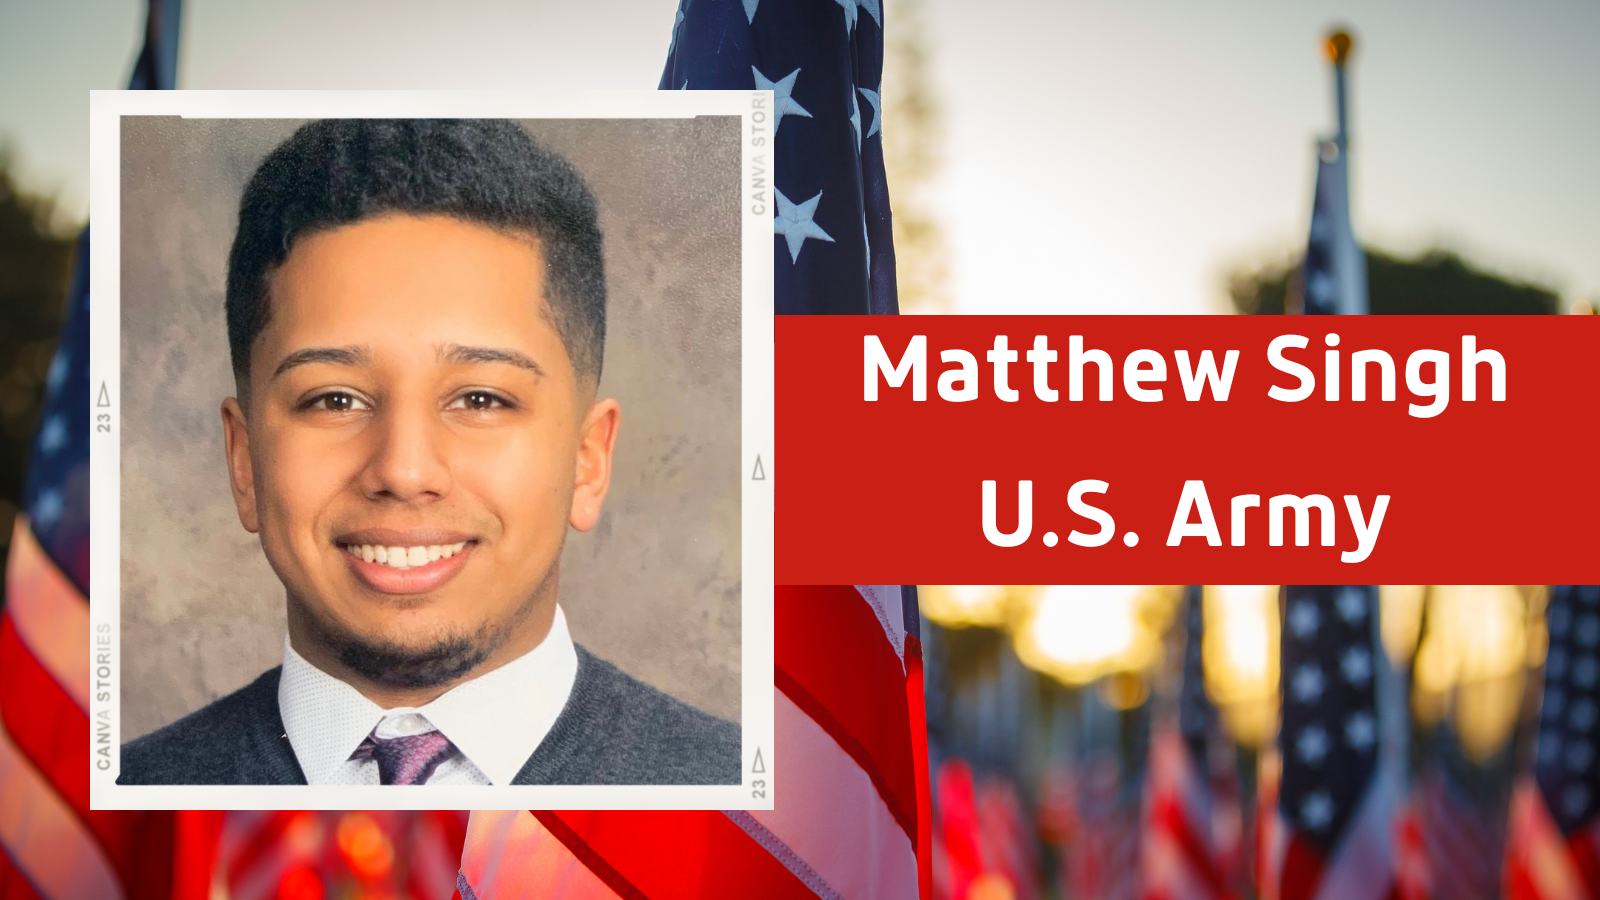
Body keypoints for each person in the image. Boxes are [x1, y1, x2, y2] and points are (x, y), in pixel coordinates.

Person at [119, 119, 739, 786]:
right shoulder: (97, 818)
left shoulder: (767, 824)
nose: (404, 471)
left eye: (479, 400)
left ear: (589, 459)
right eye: (334, 400)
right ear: (243, 463)